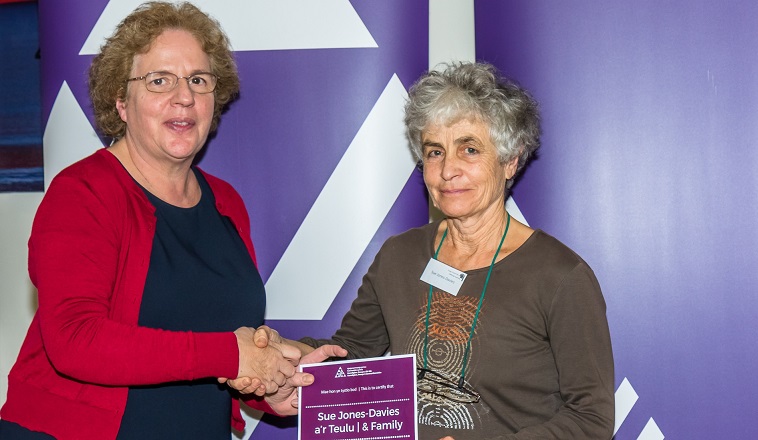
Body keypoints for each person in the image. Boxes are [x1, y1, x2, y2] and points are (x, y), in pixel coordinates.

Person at [0, 2, 343, 439]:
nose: (184, 97)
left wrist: (267, 387)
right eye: (159, 80)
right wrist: (231, 355)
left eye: (198, 80)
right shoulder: (82, 192)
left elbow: (216, 347)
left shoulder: (227, 202)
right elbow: (75, 340)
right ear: (121, 102)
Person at [238, 61, 615, 439]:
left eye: (469, 149)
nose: (448, 169)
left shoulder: (560, 277)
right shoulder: (399, 256)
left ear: (510, 161)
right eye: (435, 152)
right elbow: (351, 352)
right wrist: (282, 352)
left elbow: (591, 419)